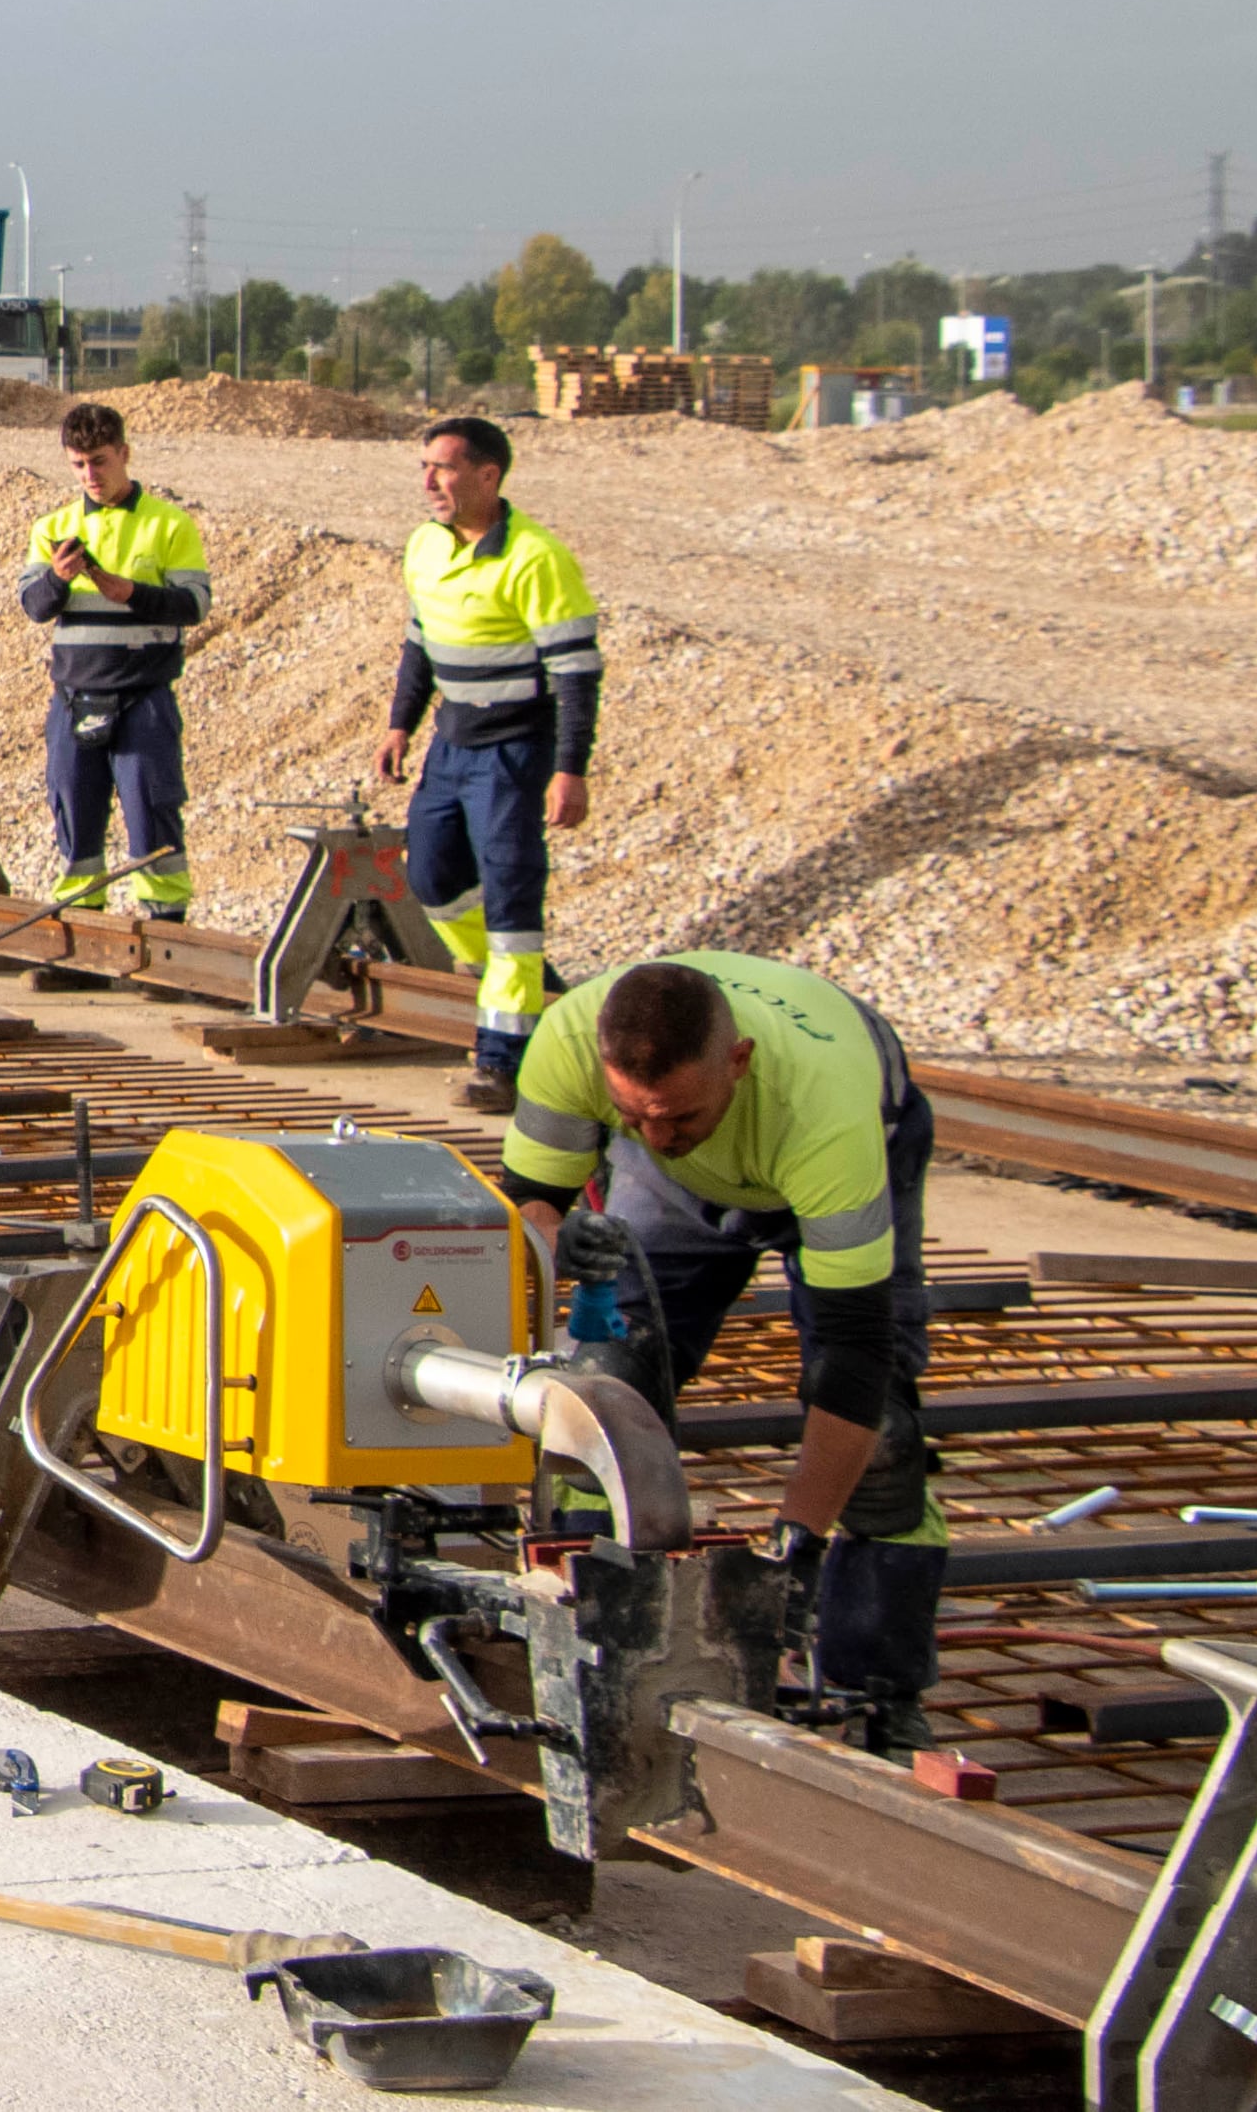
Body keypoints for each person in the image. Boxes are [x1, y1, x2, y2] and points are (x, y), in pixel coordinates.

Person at [494, 953, 944, 1734]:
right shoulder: (571, 1040)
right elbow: (529, 1200)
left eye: (679, 1117)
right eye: (635, 1117)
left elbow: (854, 1356)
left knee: (884, 1444)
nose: (660, 1134)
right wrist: (556, 1242)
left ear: (737, 1063)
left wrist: (798, 1538)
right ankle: (591, 1636)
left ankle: (878, 1693)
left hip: (835, 1144)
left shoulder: (828, 1118)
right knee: (603, 1392)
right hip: (679, 1195)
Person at [373, 413, 602, 1111]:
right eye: (423, 467)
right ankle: (535, 990)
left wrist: (571, 768)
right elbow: (420, 642)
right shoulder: (424, 546)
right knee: (433, 877)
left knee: (510, 897)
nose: (429, 481)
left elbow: (576, 673)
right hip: (451, 743)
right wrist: (399, 725)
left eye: (442, 467)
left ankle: (502, 1061)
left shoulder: (537, 557)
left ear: (487, 475)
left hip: (514, 750)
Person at [16, 400, 208, 920]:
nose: (90, 475)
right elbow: (34, 606)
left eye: (99, 461)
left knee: (152, 813)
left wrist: (134, 593)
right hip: (75, 698)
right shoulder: (53, 527)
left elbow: (195, 605)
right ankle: (81, 936)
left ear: (124, 453)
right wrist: (57, 577)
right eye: (78, 464)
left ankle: (166, 937)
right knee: (75, 816)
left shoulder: (169, 525)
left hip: (143, 698)